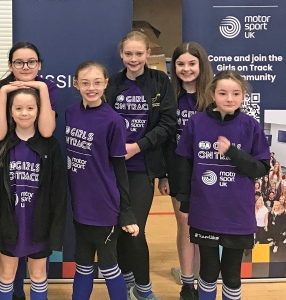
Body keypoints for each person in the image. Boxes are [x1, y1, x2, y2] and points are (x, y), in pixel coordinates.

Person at [176, 70, 270, 300]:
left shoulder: (251, 126)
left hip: (236, 213)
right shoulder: (196, 122)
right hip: (205, 210)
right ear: (212, 94)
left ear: (243, 95)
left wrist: (232, 152)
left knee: (231, 273)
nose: (230, 98)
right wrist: (186, 202)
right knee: (207, 271)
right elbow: (184, 164)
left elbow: (260, 168)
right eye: (223, 93)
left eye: (236, 93)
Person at [105, 31, 177, 300]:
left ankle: (144, 289)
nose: (133, 59)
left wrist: (137, 146)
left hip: (142, 168)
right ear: (121, 55)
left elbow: (168, 124)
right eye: (128, 54)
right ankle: (126, 281)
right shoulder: (112, 83)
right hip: (112, 168)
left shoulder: (160, 81)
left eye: (139, 53)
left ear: (148, 54)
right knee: (117, 231)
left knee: (134, 228)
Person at [0, 41, 57, 300]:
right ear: (10, 65)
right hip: (10, 161)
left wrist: (40, 88)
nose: (25, 67)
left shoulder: (46, 86)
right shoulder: (0, 89)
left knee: (38, 268)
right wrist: (6, 93)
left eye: (31, 62)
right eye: (19, 62)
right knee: (7, 267)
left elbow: (47, 131)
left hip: (38, 164)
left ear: (39, 64)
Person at [67, 60, 139, 300]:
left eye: (97, 82)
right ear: (76, 84)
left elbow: (120, 168)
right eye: (85, 83)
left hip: (105, 207)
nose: (91, 88)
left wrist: (125, 212)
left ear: (106, 83)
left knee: (108, 265)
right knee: (83, 264)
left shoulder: (113, 121)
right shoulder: (71, 113)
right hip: (79, 205)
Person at [157, 42, 213, 300]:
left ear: (201, 66)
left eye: (192, 63)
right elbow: (164, 140)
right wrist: (164, 174)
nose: (186, 69)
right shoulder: (169, 97)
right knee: (185, 224)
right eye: (181, 64)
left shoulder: (213, 97)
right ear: (173, 67)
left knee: (205, 226)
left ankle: (206, 280)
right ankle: (187, 283)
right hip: (179, 170)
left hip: (208, 170)